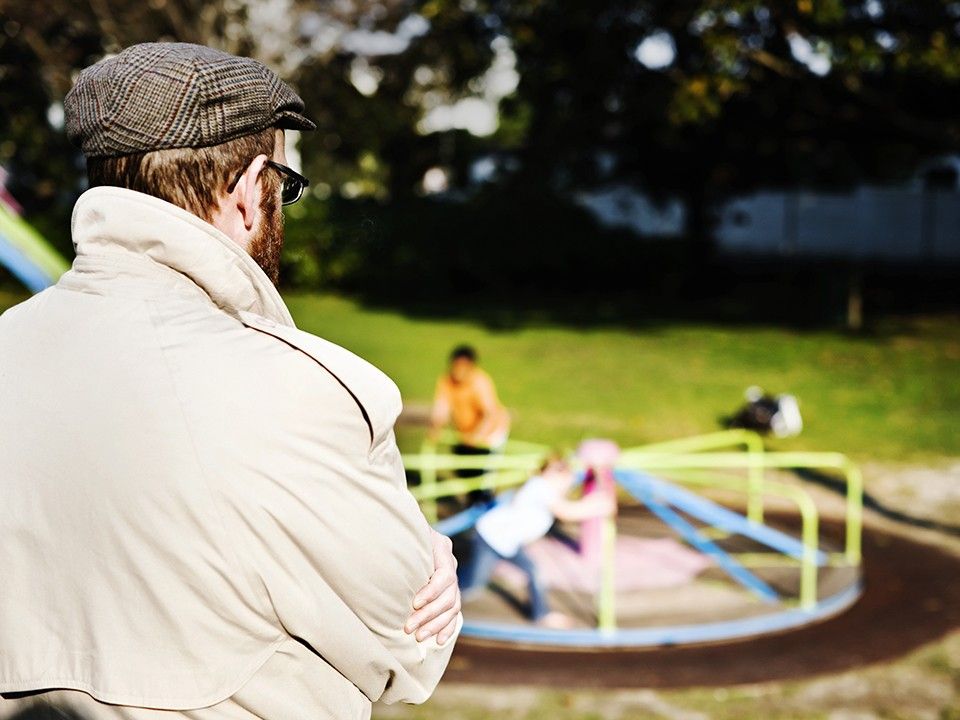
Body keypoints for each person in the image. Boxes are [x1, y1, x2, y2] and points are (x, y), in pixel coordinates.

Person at [0, 43, 460, 720]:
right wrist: (427, 556)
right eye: (284, 186)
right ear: (247, 189)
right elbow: (405, 645)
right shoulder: (302, 392)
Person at [459, 457, 616, 628]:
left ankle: (542, 615)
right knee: (473, 585)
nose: (565, 481)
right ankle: (441, 595)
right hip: (490, 540)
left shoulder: (547, 491)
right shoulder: (540, 487)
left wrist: (596, 491)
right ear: (547, 473)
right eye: (559, 473)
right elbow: (566, 512)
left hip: (507, 543)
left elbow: (567, 505)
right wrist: (599, 506)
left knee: (534, 571)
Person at [429, 345, 511, 500]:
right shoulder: (446, 381)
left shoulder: (480, 382)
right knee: (462, 468)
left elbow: (490, 414)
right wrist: (435, 427)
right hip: (466, 435)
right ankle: (472, 501)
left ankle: (484, 504)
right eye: (456, 366)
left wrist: (477, 436)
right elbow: (441, 407)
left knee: (484, 475)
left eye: (463, 366)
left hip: (490, 434)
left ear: (471, 366)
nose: (459, 371)